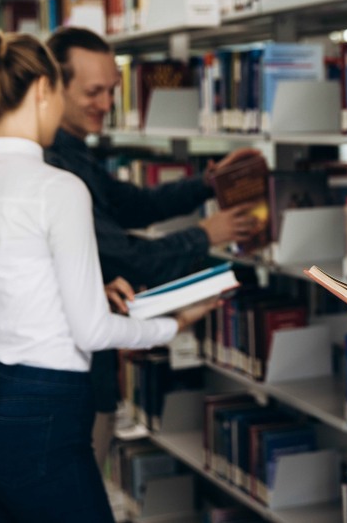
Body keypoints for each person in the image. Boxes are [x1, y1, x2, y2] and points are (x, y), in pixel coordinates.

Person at [0, 24, 216, 522]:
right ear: (45, 89)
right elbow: (92, 330)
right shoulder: (58, 187)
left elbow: (13, 283)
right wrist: (174, 324)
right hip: (42, 414)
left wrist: (86, 286)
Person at [44, 26, 259, 467]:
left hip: (87, 369)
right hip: (73, 378)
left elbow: (135, 205)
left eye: (112, 91)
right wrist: (206, 234)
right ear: (53, 86)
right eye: (93, 91)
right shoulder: (54, 167)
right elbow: (123, 256)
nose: (106, 105)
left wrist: (207, 183)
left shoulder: (76, 154)